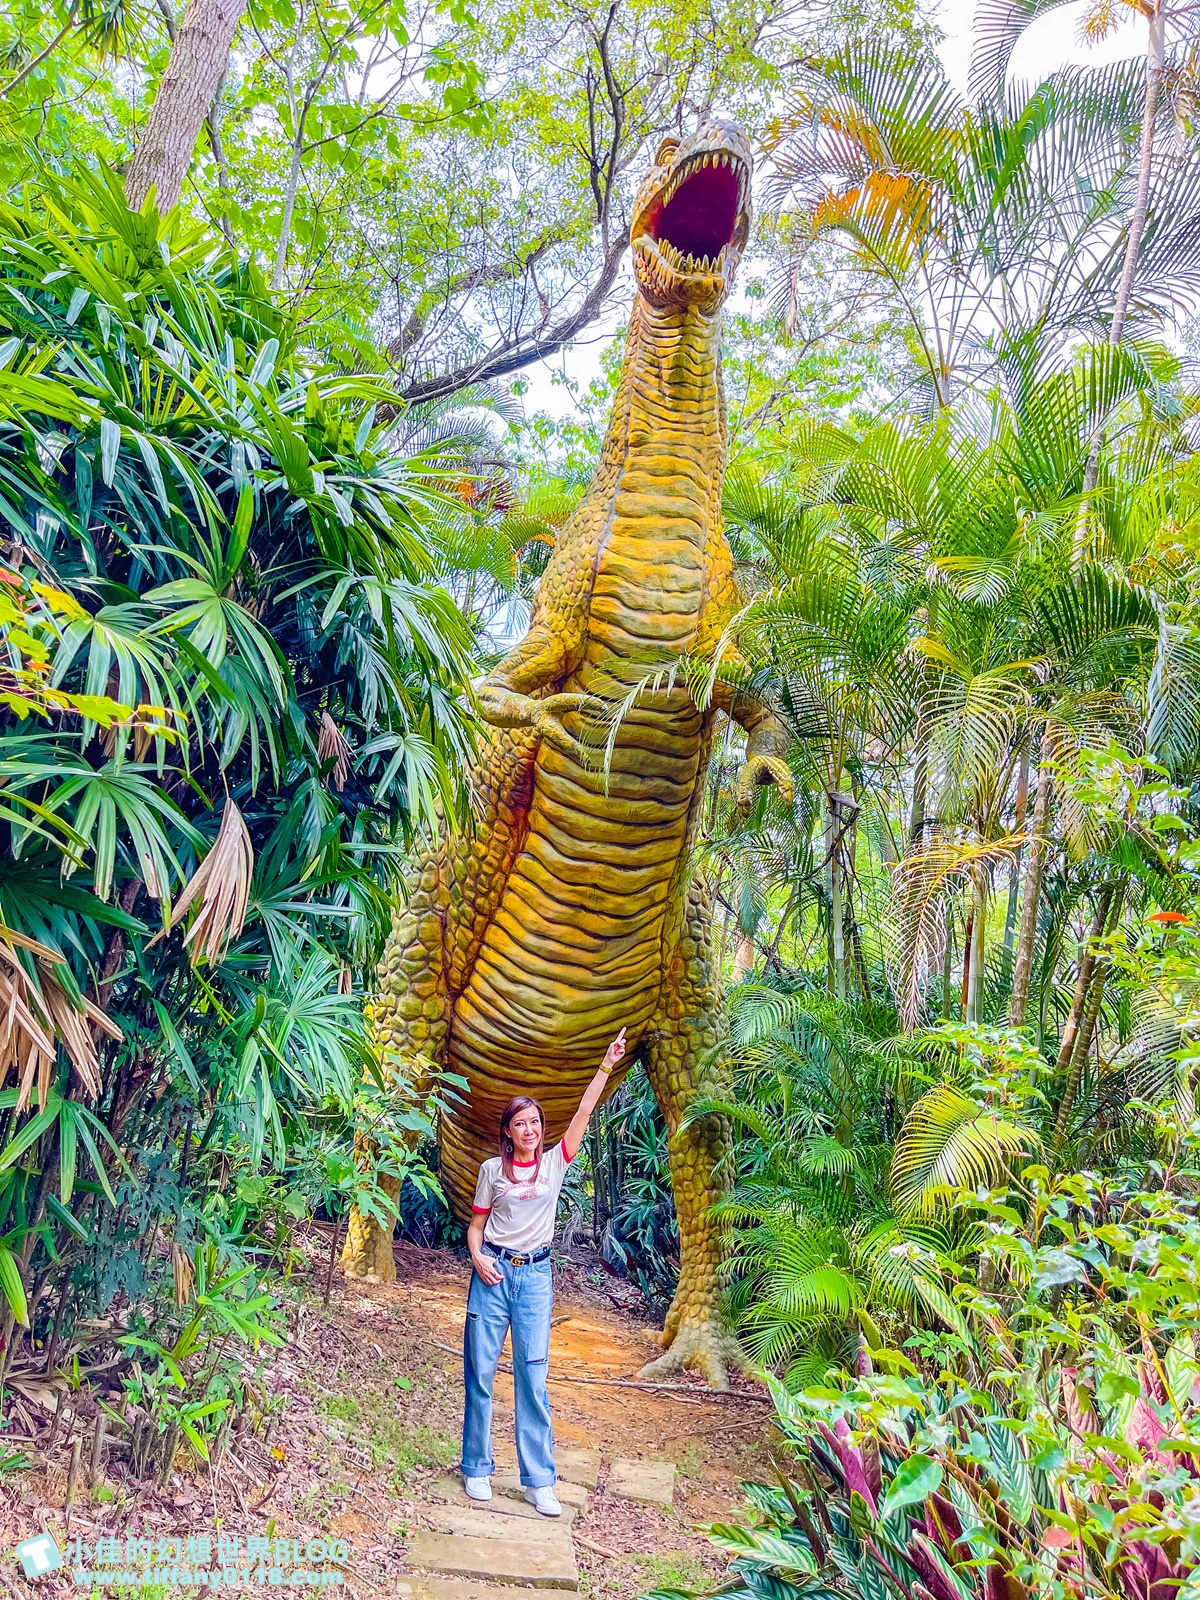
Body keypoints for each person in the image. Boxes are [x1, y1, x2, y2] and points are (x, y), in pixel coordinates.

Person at [461, 1027, 628, 1516]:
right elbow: (476, 1227)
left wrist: (606, 1063)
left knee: (533, 1377)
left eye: (535, 1122)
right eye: (521, 1124)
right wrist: (477, 1257)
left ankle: (539, 1480)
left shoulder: (555, 1163)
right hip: (491, 1278)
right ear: (509, 1131)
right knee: (480, 1373)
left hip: (534, 1280)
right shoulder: (492, 1171)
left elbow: (583, 1112)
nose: (530, 1130)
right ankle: (477, 1468)